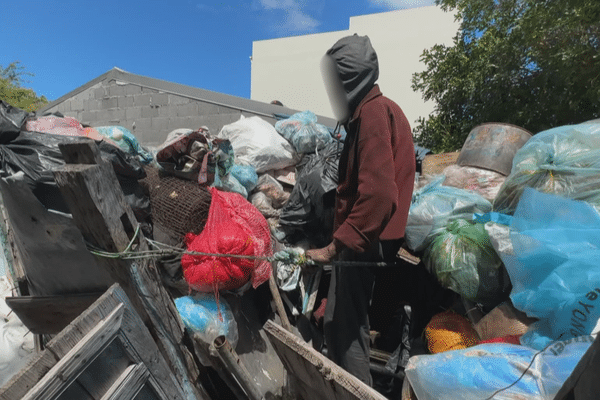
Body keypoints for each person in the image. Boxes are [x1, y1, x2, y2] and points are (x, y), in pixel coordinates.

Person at [305, 34, 416, 386]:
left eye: (336, 81)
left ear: (350, 79)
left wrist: (335, 247)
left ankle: (356, 392)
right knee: (340, 320)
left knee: (345, 330)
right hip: (370, 237)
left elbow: (380, 194)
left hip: (366, 239)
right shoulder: (378, 110)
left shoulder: (372, 114)